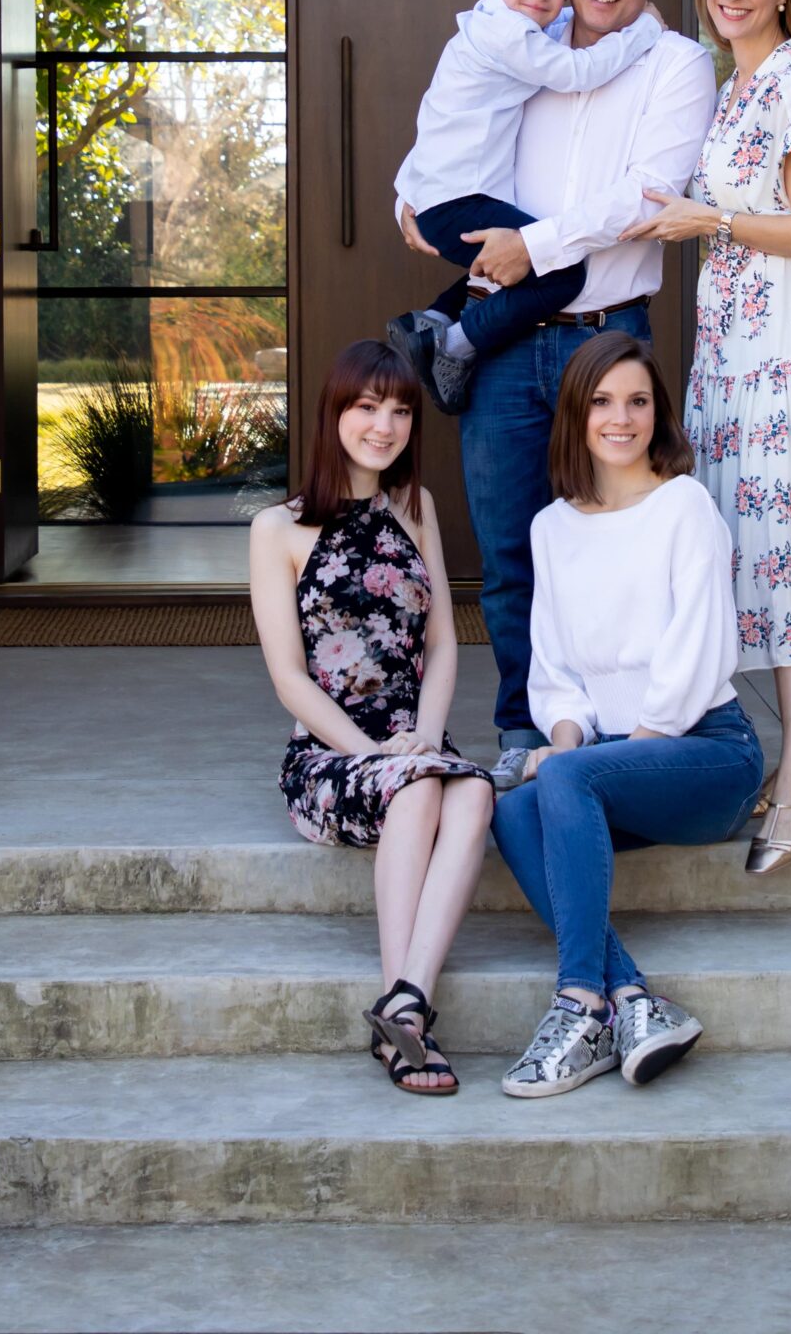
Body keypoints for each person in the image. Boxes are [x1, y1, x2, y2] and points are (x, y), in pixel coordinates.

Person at [400, 0, 717, 781]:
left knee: (617, 549)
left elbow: (645, 200)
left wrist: (528, 244)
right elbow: (450, 122)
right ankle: (523, 735)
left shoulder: (675, 63)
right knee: (507, 556)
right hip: (504, 341)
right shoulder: (518, 43)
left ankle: (621, 735)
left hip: (605, 343)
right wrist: (409, 194)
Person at [619, 0, 791, 879]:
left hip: (783, 356)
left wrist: (711, 216)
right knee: (754, 555)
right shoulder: (736, 89)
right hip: (730, 354)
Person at [490, 333, 764, 1097]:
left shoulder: (683, 506)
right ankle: (635, 1001)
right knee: (512, 814)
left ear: (657, 413)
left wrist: (601, 760)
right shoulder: (552, 527)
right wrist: (568, 742)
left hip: (705, 754)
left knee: (565, 782)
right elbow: (555, 668)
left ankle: (579, 1005)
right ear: (575, 415)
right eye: (602, 401)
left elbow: (698, 651)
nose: (621, 418)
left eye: (637, 401)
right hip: (609, 759)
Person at [249, 339, 494, 1093]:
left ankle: (403, 1006)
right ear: (334, 414)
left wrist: (423, 731)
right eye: (365, 408)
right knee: (419, 789)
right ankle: (407, 1008)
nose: (382, 427)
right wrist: (369, 752)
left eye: (398, 412)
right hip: (332, 751)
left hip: (413, 735)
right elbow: (289, 677)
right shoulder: (278, 529)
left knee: (475, 788)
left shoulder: (415, 508)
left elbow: (446, 642)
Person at [389, 0, 661, 414]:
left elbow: (437, 119)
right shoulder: (510, 37)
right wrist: (641, 30)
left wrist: (407, 193)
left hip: (444, 195)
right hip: (457, 199)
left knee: (510, 265)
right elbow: (580, 69)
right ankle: (452, 346)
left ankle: (427, 321)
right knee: (562, 270)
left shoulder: (497, 24)